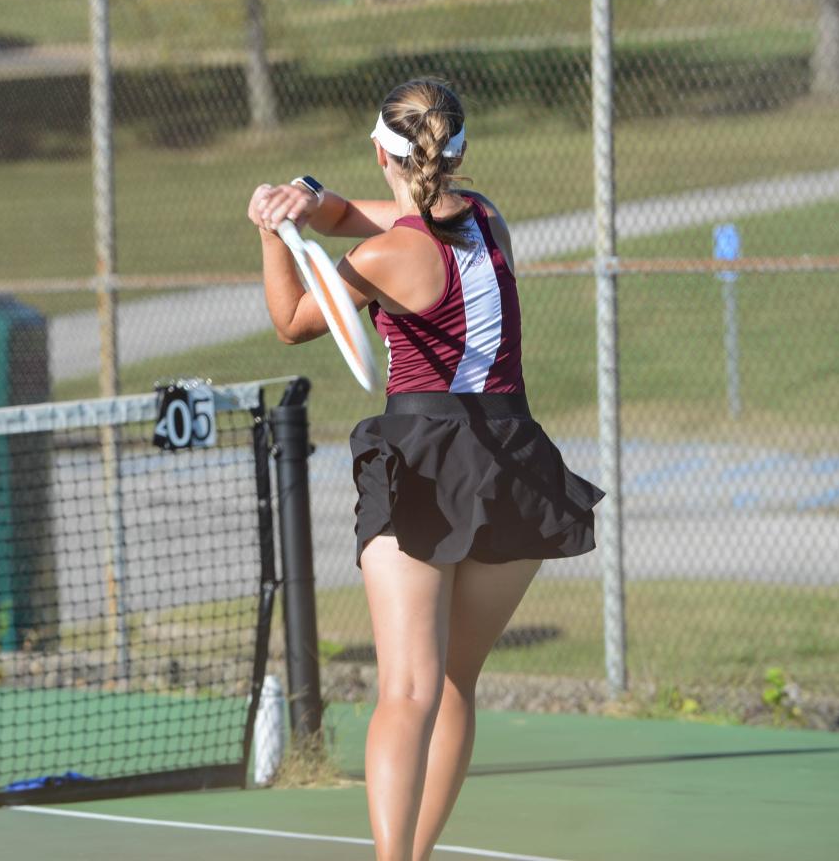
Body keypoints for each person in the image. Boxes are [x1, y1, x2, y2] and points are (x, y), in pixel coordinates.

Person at [246, 76, 604, 861]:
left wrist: (272, 235)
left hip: (423, 458)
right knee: (451, 687)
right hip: (513, 459)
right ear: (456, 151)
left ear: (381, 149)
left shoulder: (383, 259)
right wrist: (304, 197)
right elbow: (352, 214)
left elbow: (290, 324)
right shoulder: (487, 219)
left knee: (405, 693)